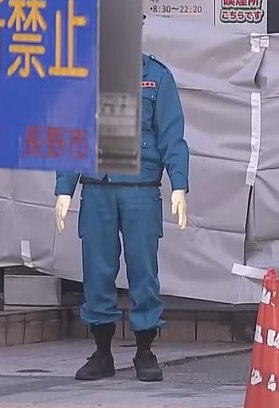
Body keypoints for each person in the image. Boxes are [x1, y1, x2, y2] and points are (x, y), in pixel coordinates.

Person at [54, 53, 190, 383]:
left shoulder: (157, 77)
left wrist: (179, 185)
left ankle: (145, 350)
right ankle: (102, 353)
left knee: (143, 270)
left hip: (141, 189)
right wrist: (64, 188)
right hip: (97, 187)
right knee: (97, 270)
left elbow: (172, 136)